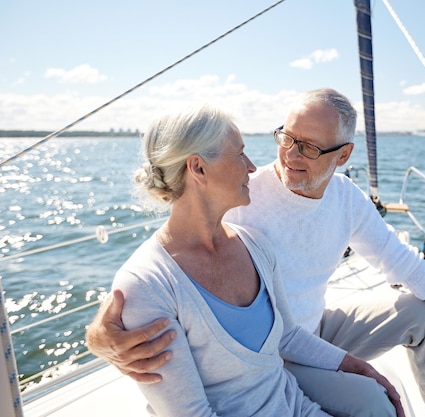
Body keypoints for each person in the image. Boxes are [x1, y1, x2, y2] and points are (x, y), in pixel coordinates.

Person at [87, 89, 425, 417]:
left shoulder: (342, 200)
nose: (287, 156)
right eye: (287, 138)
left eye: (309, 148)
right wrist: (99, 333)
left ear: (343, 155)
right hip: (271, 356)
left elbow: (404, 264)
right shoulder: (242, 196)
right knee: (374, 401)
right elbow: (169, 268)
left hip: (305, 333)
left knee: (422, 313)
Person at [103, 103, 403, 417]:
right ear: (198, 169)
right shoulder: (148, 285)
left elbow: (287, 336)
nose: (251, 166)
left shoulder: (254, 245)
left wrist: (362, 369)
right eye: (239, 154)